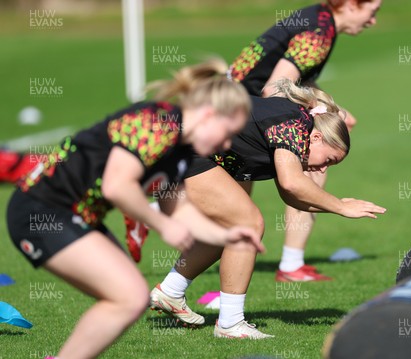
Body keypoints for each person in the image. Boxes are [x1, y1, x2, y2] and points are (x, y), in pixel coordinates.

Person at [5, 59, 265, 359]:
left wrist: (229, 235)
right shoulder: (157, 123)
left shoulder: (179, 150)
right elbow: (117, 186)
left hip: (76, 216)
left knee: (131, 298)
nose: (227, 143)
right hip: (42, 211)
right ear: (209, 115)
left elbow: (180, 211)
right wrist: (162, 224)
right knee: (128, 298)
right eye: (228, 132)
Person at [125, 0, 383, 280]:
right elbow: (275, 87)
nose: (373, 21)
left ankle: (156, 222)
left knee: (234, 210)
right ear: (350, 5)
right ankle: (290, 264)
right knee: (301, 172)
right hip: (241, 119)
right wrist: (299, 126)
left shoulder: (316, 19)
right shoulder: (317, 34)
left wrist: (325, 107)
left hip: (237, 110)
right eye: (373, 11)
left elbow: (294, 80)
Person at [149, 79, 386, 338]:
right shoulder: (296, 122)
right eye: (328, 160)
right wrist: (340, 206)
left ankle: (171, 291)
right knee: (247, 222)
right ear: (316, 137)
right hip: (176, 148)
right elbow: (292, 183)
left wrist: (335, 207)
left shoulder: (296, 130)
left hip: (176, 149)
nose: (322, 169)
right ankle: (230, 324)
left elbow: (290, 195)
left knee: (229, 226)